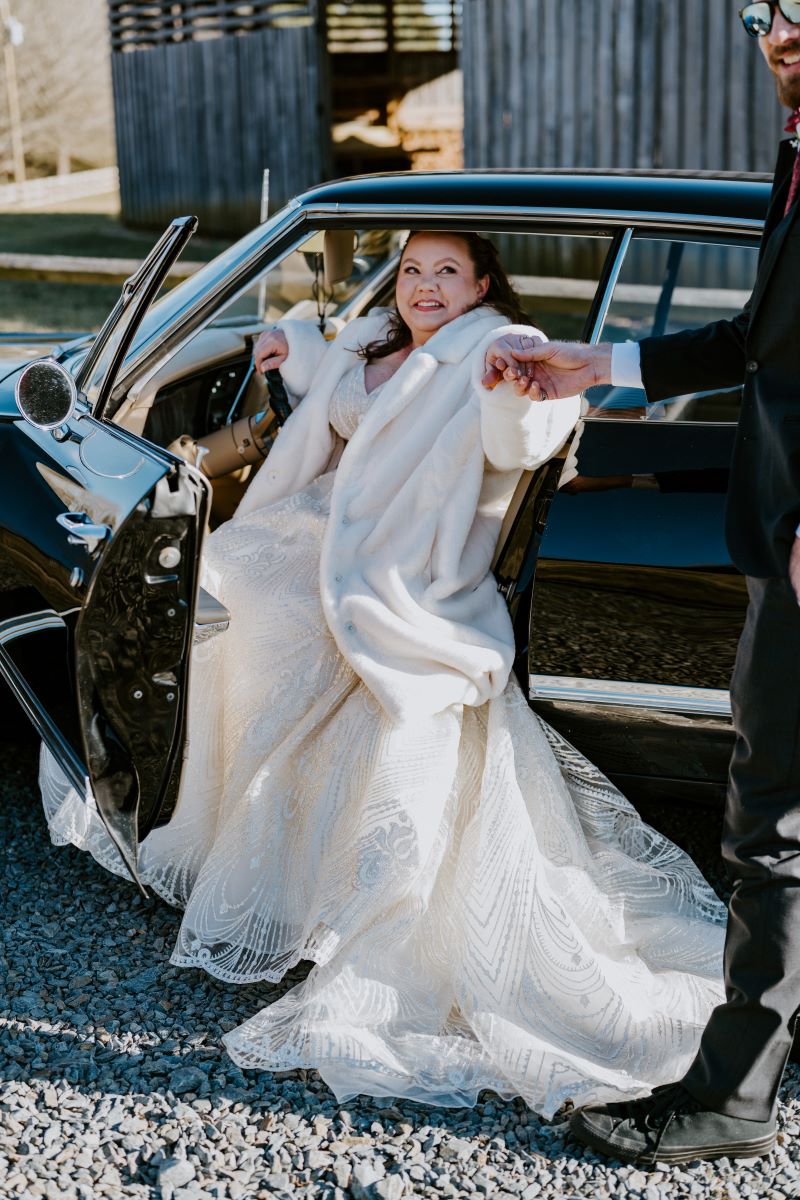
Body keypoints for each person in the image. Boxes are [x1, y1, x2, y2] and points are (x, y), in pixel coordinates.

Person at [41, 231, 727, 1119]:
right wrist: (299, 349)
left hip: (392, 568)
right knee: (210, 583)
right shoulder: (374, 340)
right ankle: (191, 806)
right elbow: (350, 395)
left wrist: (517, 391)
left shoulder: (491, 348)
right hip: (318, 532)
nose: (424, 287)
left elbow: (524, 434)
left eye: (448, 272)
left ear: (485, 285)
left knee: (249, 612)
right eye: (411, 270)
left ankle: (255, 853)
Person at [489, 1, 800, 1165]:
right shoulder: (794, 149)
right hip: (770, 527)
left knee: (773, 821)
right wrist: (597, 362)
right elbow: (757, 343)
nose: (778, 30)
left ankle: (728, 1098)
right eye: (764, 11)